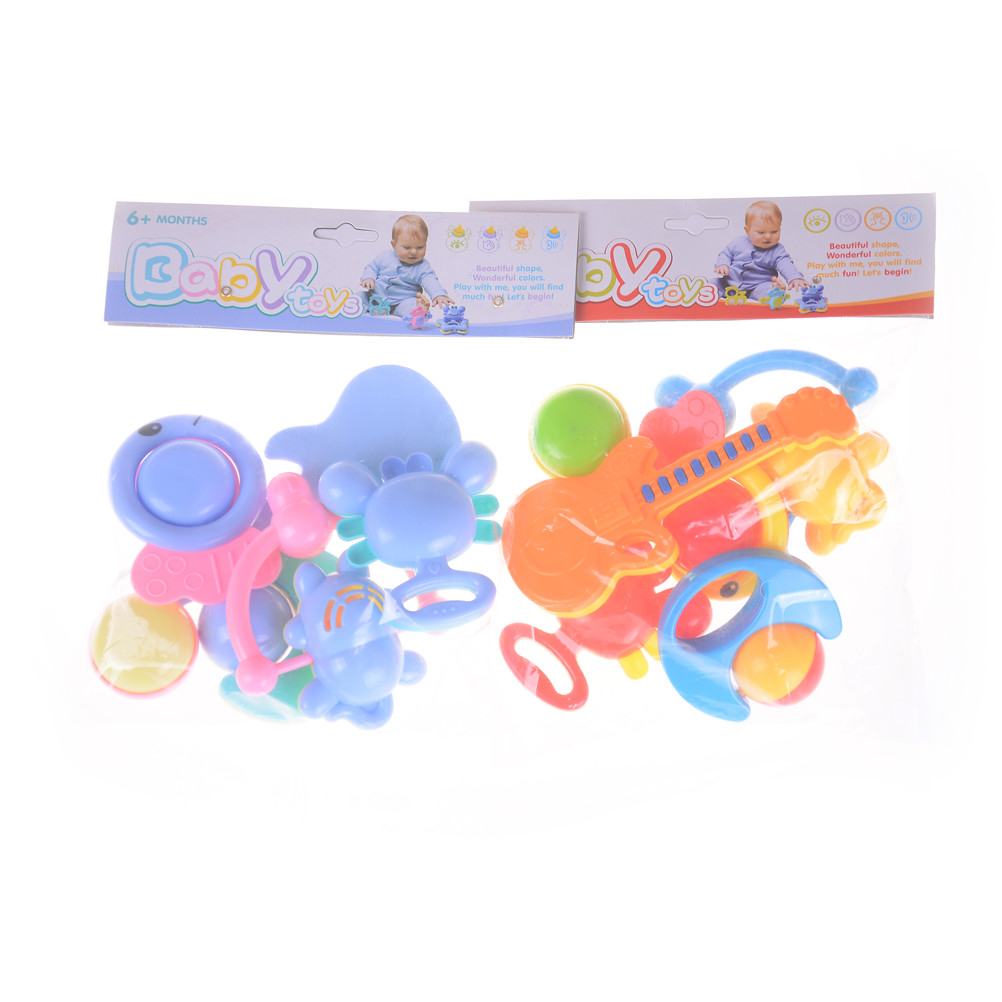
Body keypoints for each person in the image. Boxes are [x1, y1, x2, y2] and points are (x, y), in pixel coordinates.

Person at [360, 214, 454, 317]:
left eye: (420, 247)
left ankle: (419, 312)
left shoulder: (422, 267)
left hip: (403, 301)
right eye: (407, 247)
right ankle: (353, 310)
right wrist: (369, 278)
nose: (413, 252)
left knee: (411, 307)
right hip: (376, 297)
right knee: (359, 297)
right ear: (394, 245)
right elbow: (372, 267)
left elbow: (430, 280)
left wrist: (438, 294)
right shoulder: (385, 256)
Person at [714, 201, 808, 301]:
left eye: (774, 231)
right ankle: (708, 295)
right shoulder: (738, 242)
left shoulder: (777, 251)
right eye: (761, 232)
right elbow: (726, 254)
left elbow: (786, 264)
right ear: (747, 231)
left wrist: (794, 277)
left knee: (767, 289)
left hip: (758, 287)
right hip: (730, 283)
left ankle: (775, 294)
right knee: (714, 283)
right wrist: (723, 264)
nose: (768, 236)